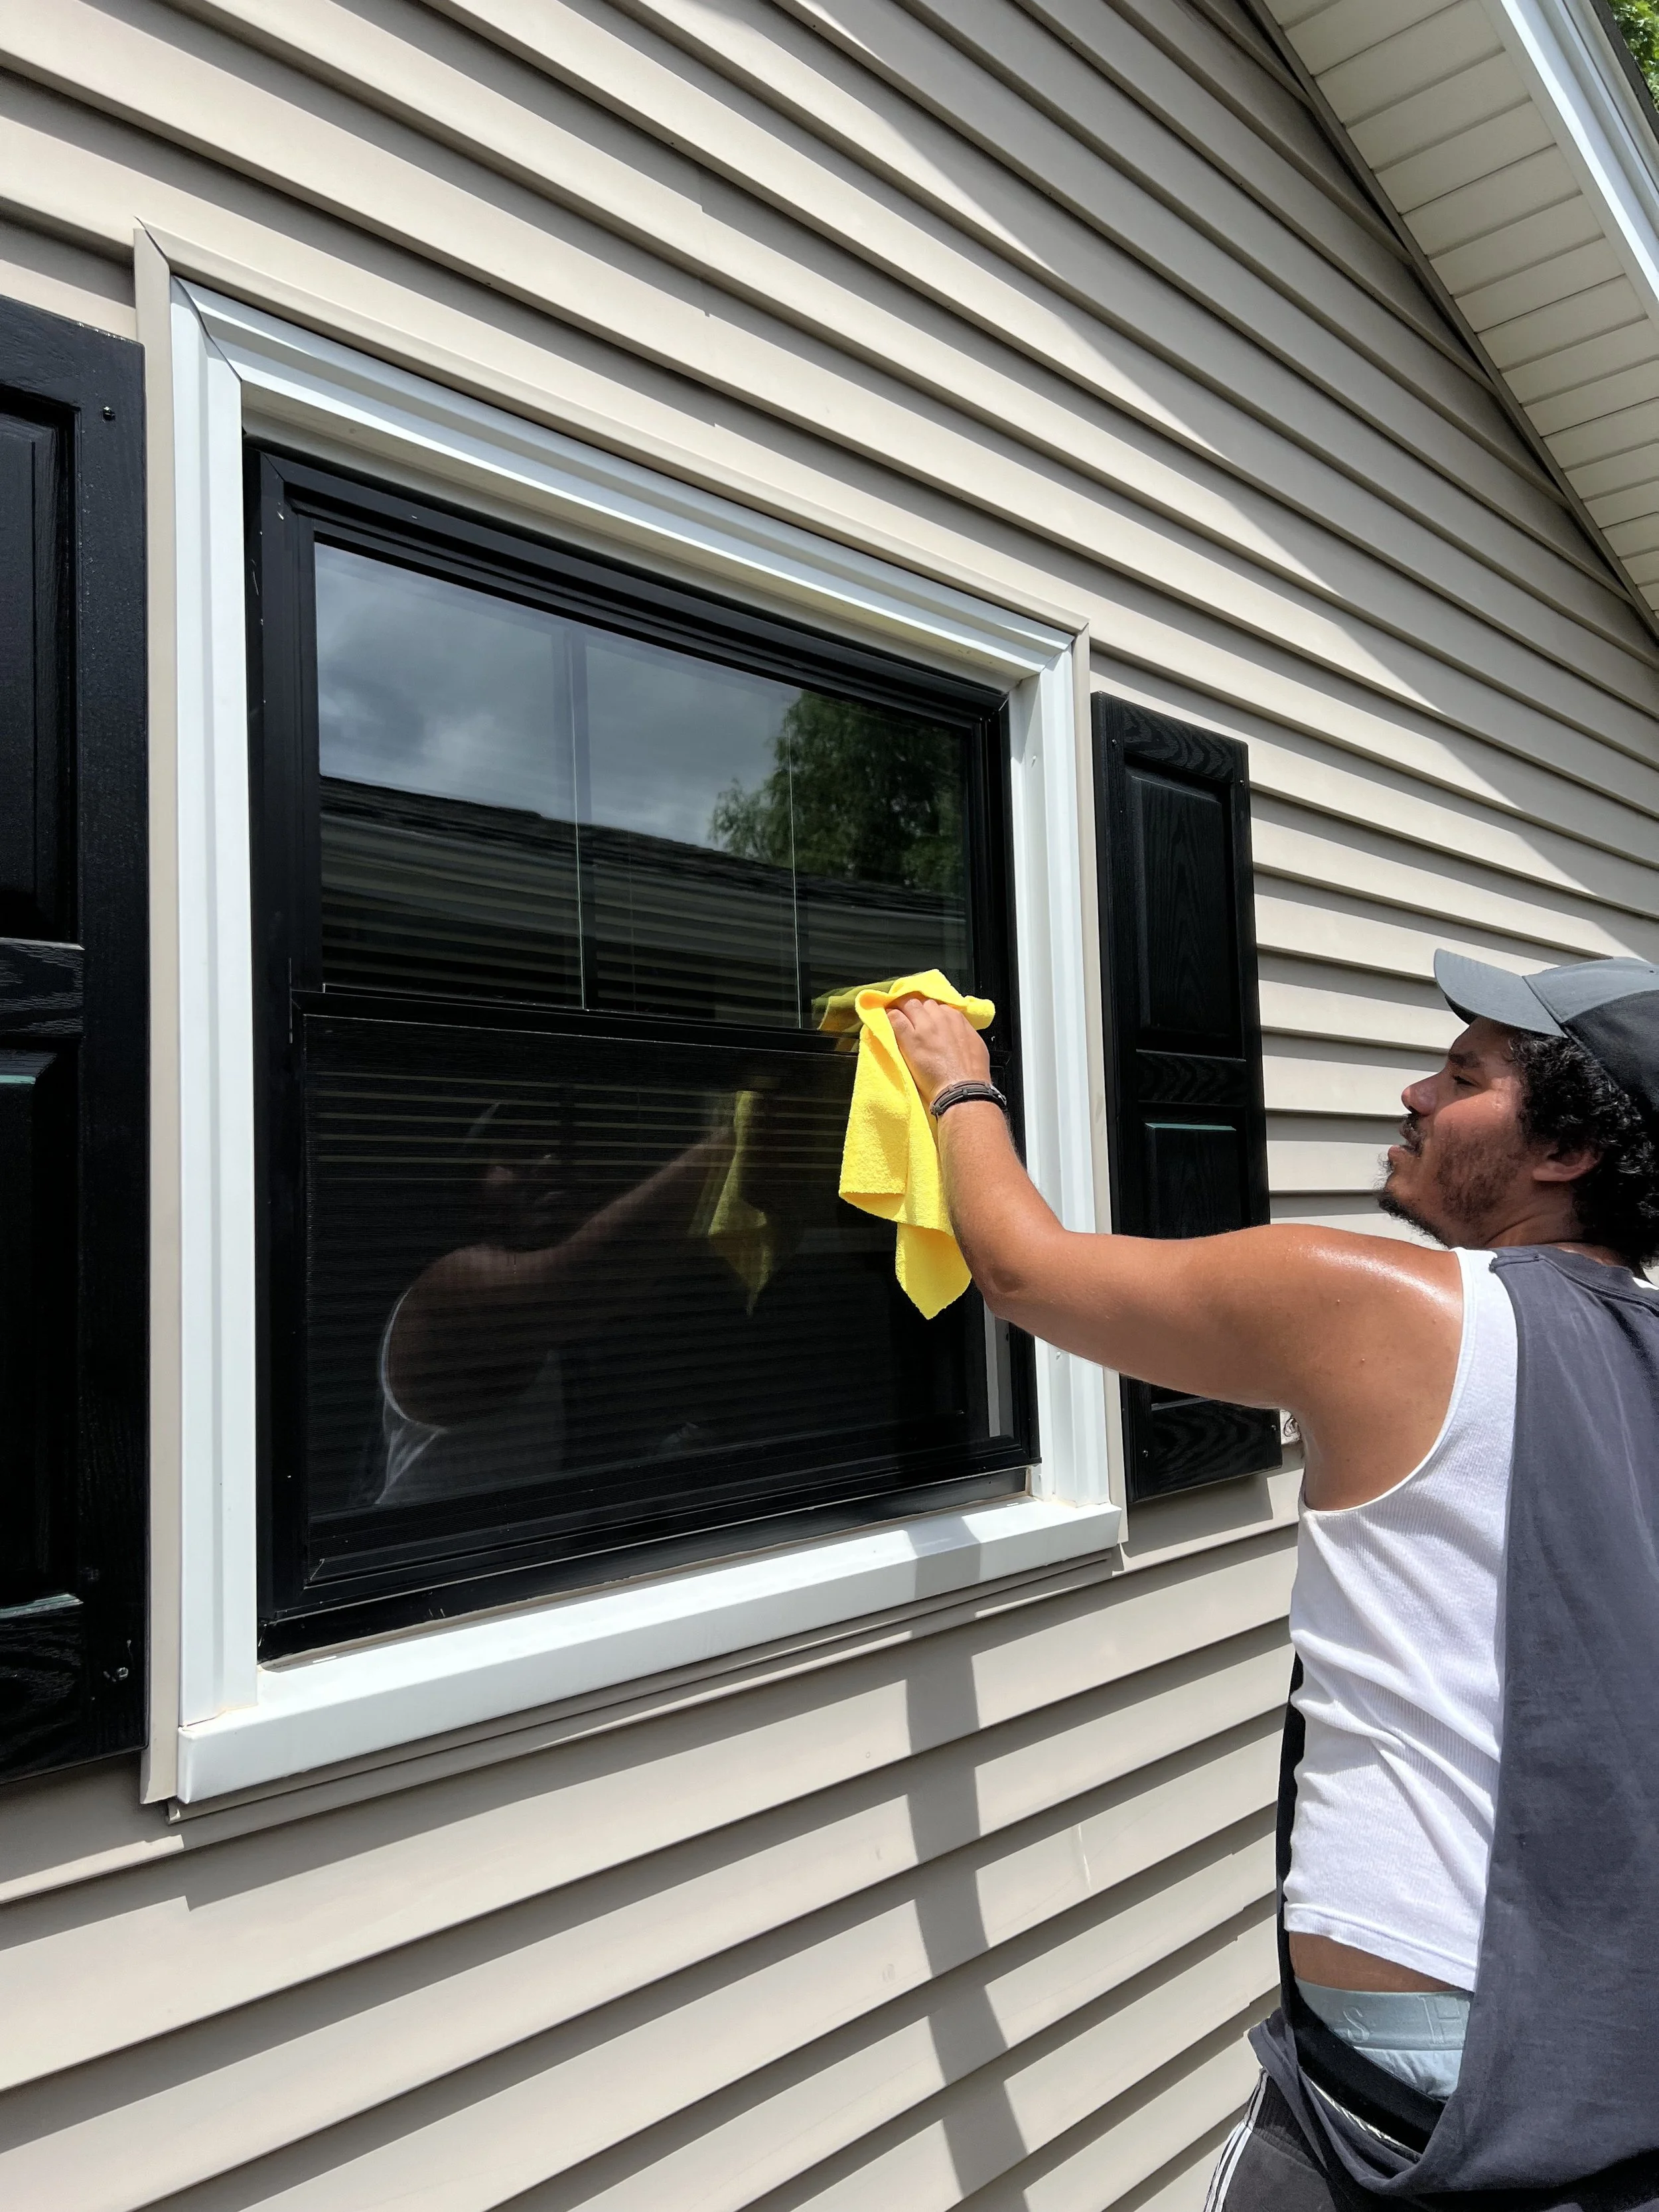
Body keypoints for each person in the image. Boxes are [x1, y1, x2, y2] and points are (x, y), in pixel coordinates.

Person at [888, 951, 1659, 2209]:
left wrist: (957, 1083)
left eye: (1462, 1077)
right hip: (1610, 2041)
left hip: (1428, 2066)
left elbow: (1025, 1271)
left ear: (1565, 1151)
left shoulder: (1392, 1306)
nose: (1415, 1094)